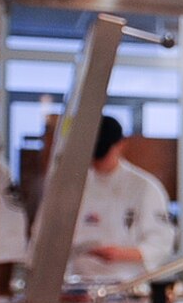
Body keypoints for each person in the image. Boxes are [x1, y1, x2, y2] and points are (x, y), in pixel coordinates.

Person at [68, 116, 176, 279]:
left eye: (103, 155)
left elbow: (161, 243)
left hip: (127, 283)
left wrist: (120, 254)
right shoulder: (74, 185)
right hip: (78, 282)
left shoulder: (145, 187)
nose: (97, 163)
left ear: (121, 144)